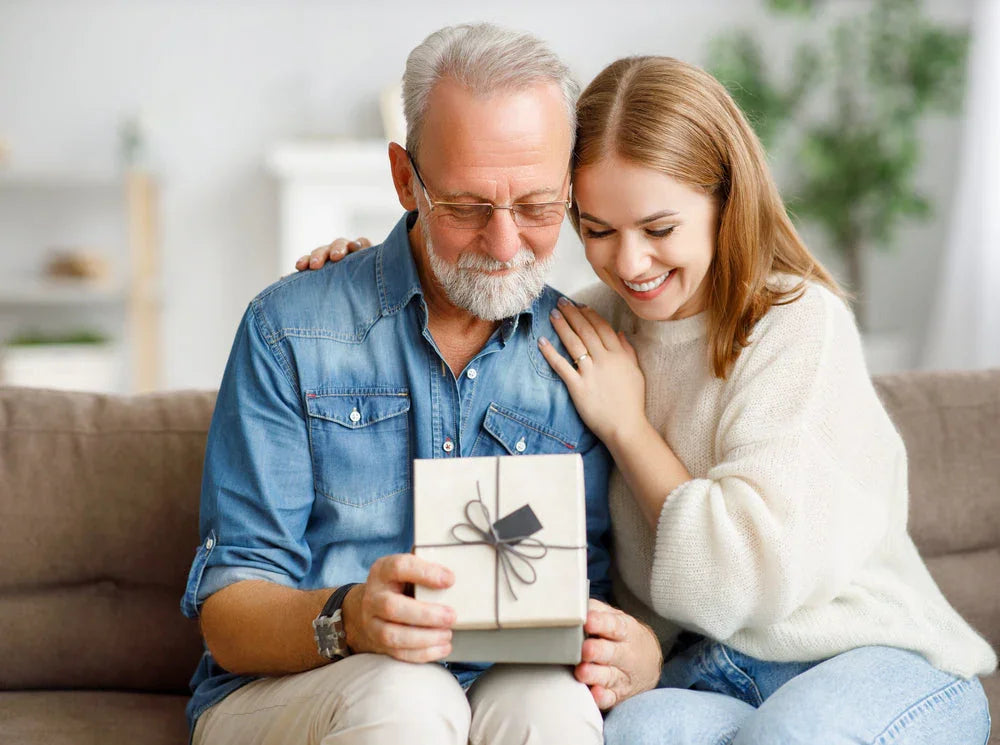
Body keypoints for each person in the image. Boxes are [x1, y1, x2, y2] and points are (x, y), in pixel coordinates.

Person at [304, 55, 996, 743]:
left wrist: (627, 426)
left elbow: (740, 581)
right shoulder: (586, 323)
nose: (630, 263)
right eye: (598, 230)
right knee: (636, 733)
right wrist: (372, 275)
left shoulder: (795, 323)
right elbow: (466, 392)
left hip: (868, 656)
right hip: (707, 671)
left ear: (725, 200)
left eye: (659, 229)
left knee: (795, 734)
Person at [180, 23, 664, 745]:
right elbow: (228, 615)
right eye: (467, 208)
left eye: (536, 208)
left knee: (556, 709)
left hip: (503, 679)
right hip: (298, 684)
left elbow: (618, 589)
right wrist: (350, 617)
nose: (505, 247)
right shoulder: (290, 330)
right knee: (408, 696)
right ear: (406, 179)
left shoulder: (591, 357)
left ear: (570, 184)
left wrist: (639, 650)